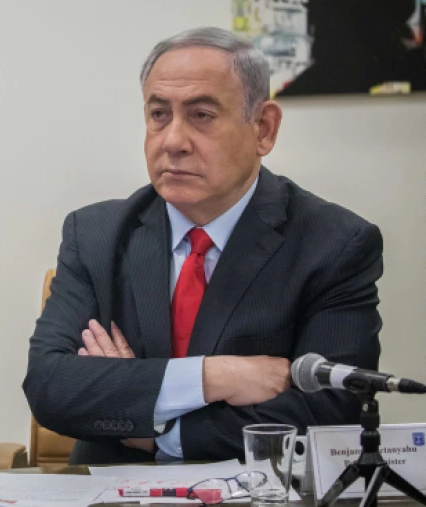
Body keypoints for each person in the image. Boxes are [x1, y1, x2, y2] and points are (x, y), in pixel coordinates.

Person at [23, 27, 383, 464]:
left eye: (202, 115)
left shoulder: (334, 244)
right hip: (109, 486)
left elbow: (328, 412)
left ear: (263, 129)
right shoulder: (95, 234)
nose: (173, 141)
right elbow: (51, 387)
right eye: (159, 114)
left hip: (257, 491)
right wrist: (214, 376)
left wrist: (156, 430)